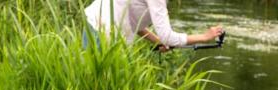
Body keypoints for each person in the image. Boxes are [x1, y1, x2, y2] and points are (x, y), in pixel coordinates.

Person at [82, 0, 224, 51]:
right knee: (95, 85)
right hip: (101, 30)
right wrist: (204, 37)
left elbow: (133, 22)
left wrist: (158, 41)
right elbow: (167, 37)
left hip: (95, 24)